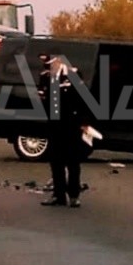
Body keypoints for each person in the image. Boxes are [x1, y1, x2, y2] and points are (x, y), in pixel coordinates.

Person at [38, 55, 91, 208]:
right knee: (56, 161)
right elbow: (44, 98)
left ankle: (74, 195)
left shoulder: (73, 75)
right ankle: (58, 195)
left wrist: (83, 123)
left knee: (73, 161)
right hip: (55, 124)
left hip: (71, 124)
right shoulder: (46, 77)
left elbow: (82, 101)